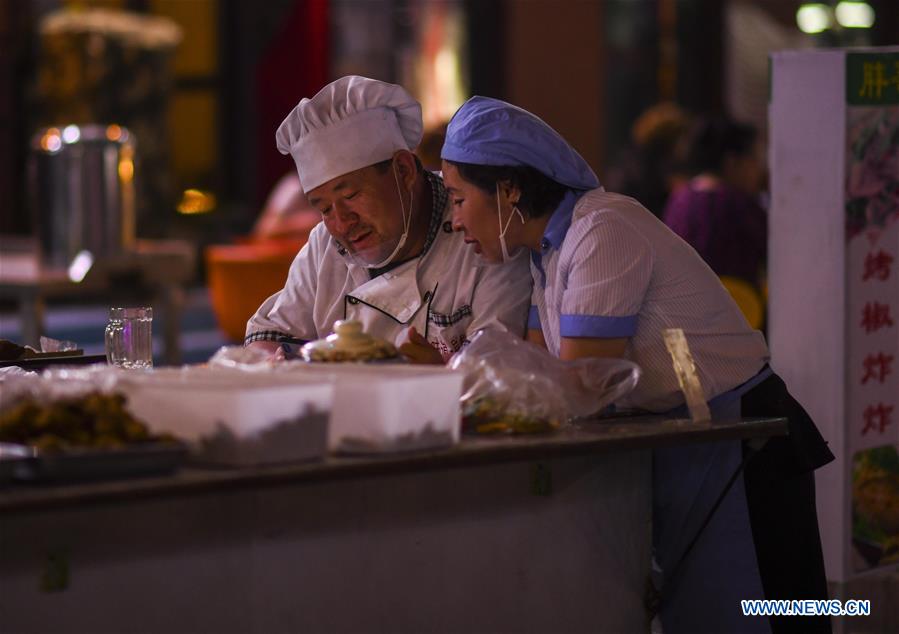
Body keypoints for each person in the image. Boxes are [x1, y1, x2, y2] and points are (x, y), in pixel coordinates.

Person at [441, 96, 833, 633]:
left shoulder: (602, 228)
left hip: (743, 437)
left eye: (459, 199)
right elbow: (535, 374)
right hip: (690, 441)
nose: (455, 219)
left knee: (774, 611)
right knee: (706, 614)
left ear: (509, 190)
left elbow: (576, 387)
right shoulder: (544, 255)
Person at [244, 77, 531, 363]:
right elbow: (269, 333)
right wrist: (267, 364)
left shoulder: (481, 230)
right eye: (325, 209)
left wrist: (439, 374)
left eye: (352, 195)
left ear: (403, 170)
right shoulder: (324, 245)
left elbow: (497, 375)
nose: (342, 225)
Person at [663, 116, 768, 291]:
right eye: (755, 159)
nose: (759, 170)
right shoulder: (739, 204)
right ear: (732, 162)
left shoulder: (680, 199)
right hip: (739, 309)